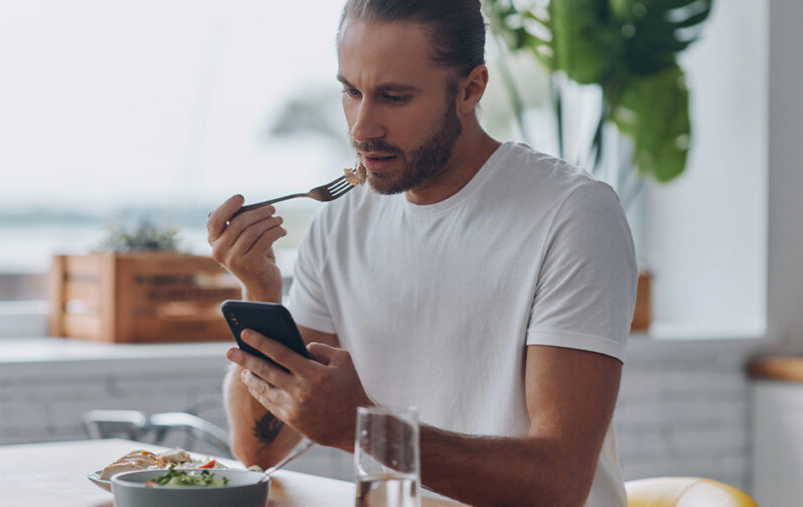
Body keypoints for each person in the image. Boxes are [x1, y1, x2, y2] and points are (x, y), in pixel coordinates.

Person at [206, 0, 637, 505]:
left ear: (471, 89)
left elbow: (558, 482)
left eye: (394, 97)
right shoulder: (341, 224)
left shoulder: (572, 214)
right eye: (352, 92)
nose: (362, 128)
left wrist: (364, 428)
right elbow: (261, 450)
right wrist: (260, 292)